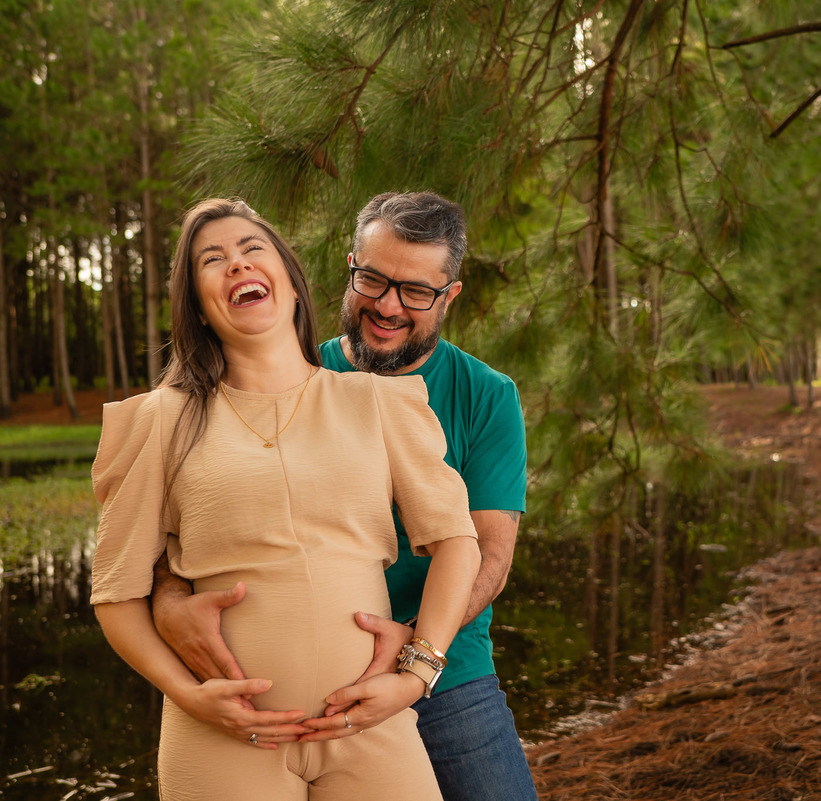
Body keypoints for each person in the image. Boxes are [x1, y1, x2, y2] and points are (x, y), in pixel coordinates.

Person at [152, 192, 539, 801]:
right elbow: (193, 520)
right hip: (279, 692)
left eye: (416, 291)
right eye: (374, 279)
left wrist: (413, 658)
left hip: (444, 670)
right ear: (350, 265)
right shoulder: (287, 373)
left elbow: (487, 555)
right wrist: (170, 602)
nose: (388, 306)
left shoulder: (486, 394)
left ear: (450, 296)